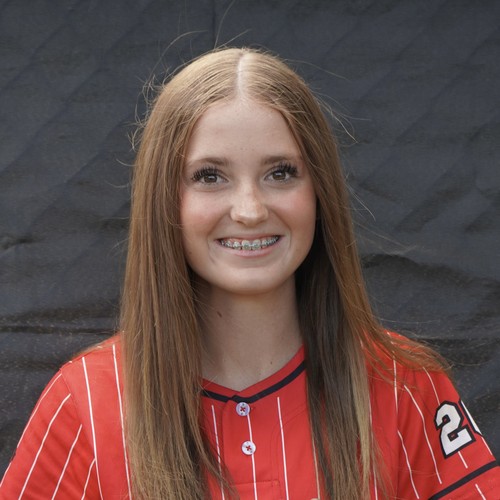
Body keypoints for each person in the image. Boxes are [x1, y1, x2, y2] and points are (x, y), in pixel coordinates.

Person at [1, 47, 499, 500]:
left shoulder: (407, 383)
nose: (250, 209)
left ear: (319, 190)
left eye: (280, 172)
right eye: (209, 176)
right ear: (164, 200)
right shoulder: (84, 401)